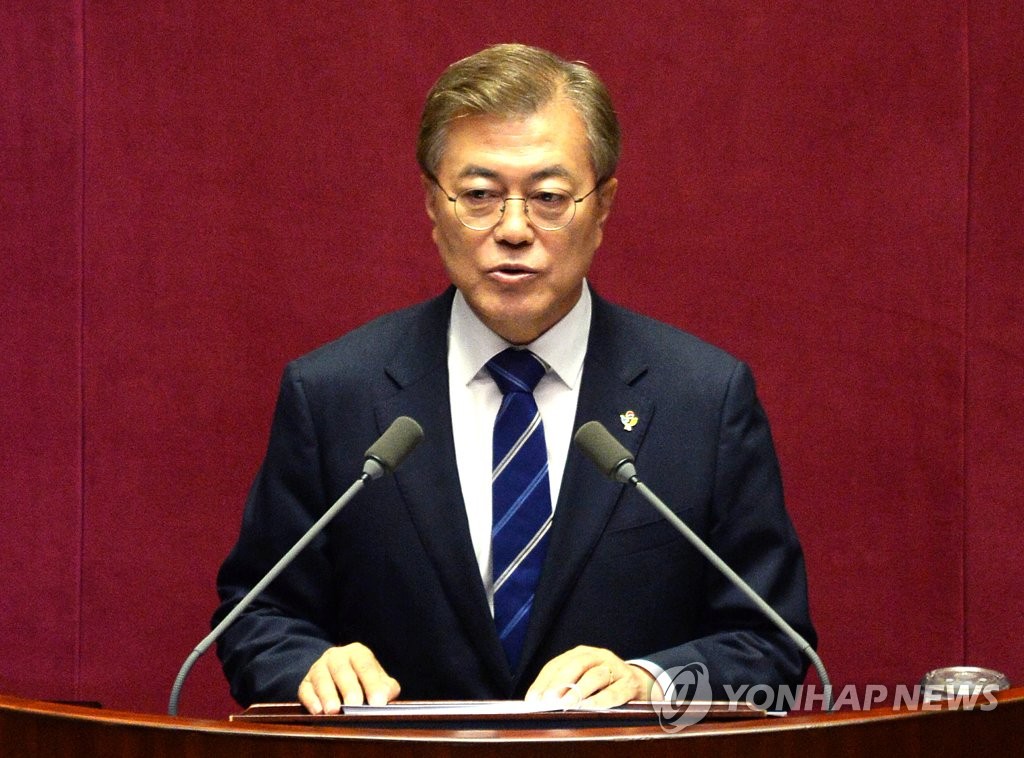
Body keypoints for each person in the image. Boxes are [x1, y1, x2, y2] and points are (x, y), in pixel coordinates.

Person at [213, 43, 815, 715]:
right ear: (432, 205)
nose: (515, 229)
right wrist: (309, 665)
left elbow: (774, 643)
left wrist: (653, 682)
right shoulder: (334, 394)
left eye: (550, 198)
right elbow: (256, 616)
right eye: (479, 195)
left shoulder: (703, 399)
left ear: (603, 206)